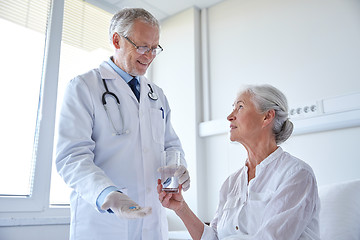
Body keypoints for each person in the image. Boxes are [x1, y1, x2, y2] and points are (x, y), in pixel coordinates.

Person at [56, 8, 190, 240]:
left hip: (153, 224)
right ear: (117, 40)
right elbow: (72, 158)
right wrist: (108, 194)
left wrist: (178, 171)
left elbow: (170, 147)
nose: (148, 56)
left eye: (154, 48)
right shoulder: (84, 87)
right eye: (142, 47)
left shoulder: (156, 94)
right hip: (105, 225)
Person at [158, 84, 320, 240]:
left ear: (267, 116)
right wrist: (181, 208)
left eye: (240, 107)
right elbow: (214, 237)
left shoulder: (296, 174)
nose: (230, 116)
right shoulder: (231, 184)